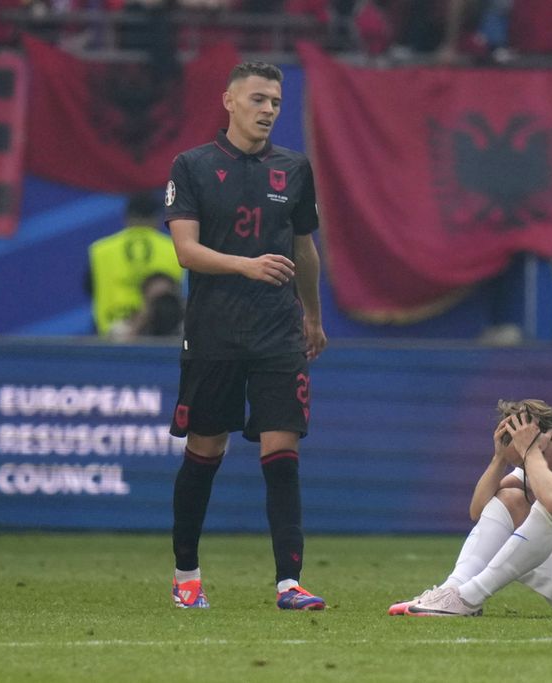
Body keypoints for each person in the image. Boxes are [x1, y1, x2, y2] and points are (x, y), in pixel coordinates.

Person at [163, 61, 328, 611]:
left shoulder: (294, 168)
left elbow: (305, 249)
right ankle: (186, 575)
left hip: (279, 329)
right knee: (205, 447)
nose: (268, 111)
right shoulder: (192, 166)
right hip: (215, 331)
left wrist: (313, 316)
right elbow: (185, 251)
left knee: (284, 442)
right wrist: (245, 265)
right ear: (229, 101)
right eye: (258, 99)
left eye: (276, 103)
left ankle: (290, 583)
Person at [387, 399, 552, 620]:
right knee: (512, 497)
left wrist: (531, 454)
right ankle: (453, 590)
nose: (527, 464)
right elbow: (479, 510)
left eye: (530, 454)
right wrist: (499, 458)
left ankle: (468, 598)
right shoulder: (542, 456)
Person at [86, 192, 183, 338]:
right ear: (156, 219)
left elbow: (90, 287)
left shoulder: (101, 250)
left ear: (126, 218)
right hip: (161, 333)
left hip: (111, 333)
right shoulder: (174, 248)